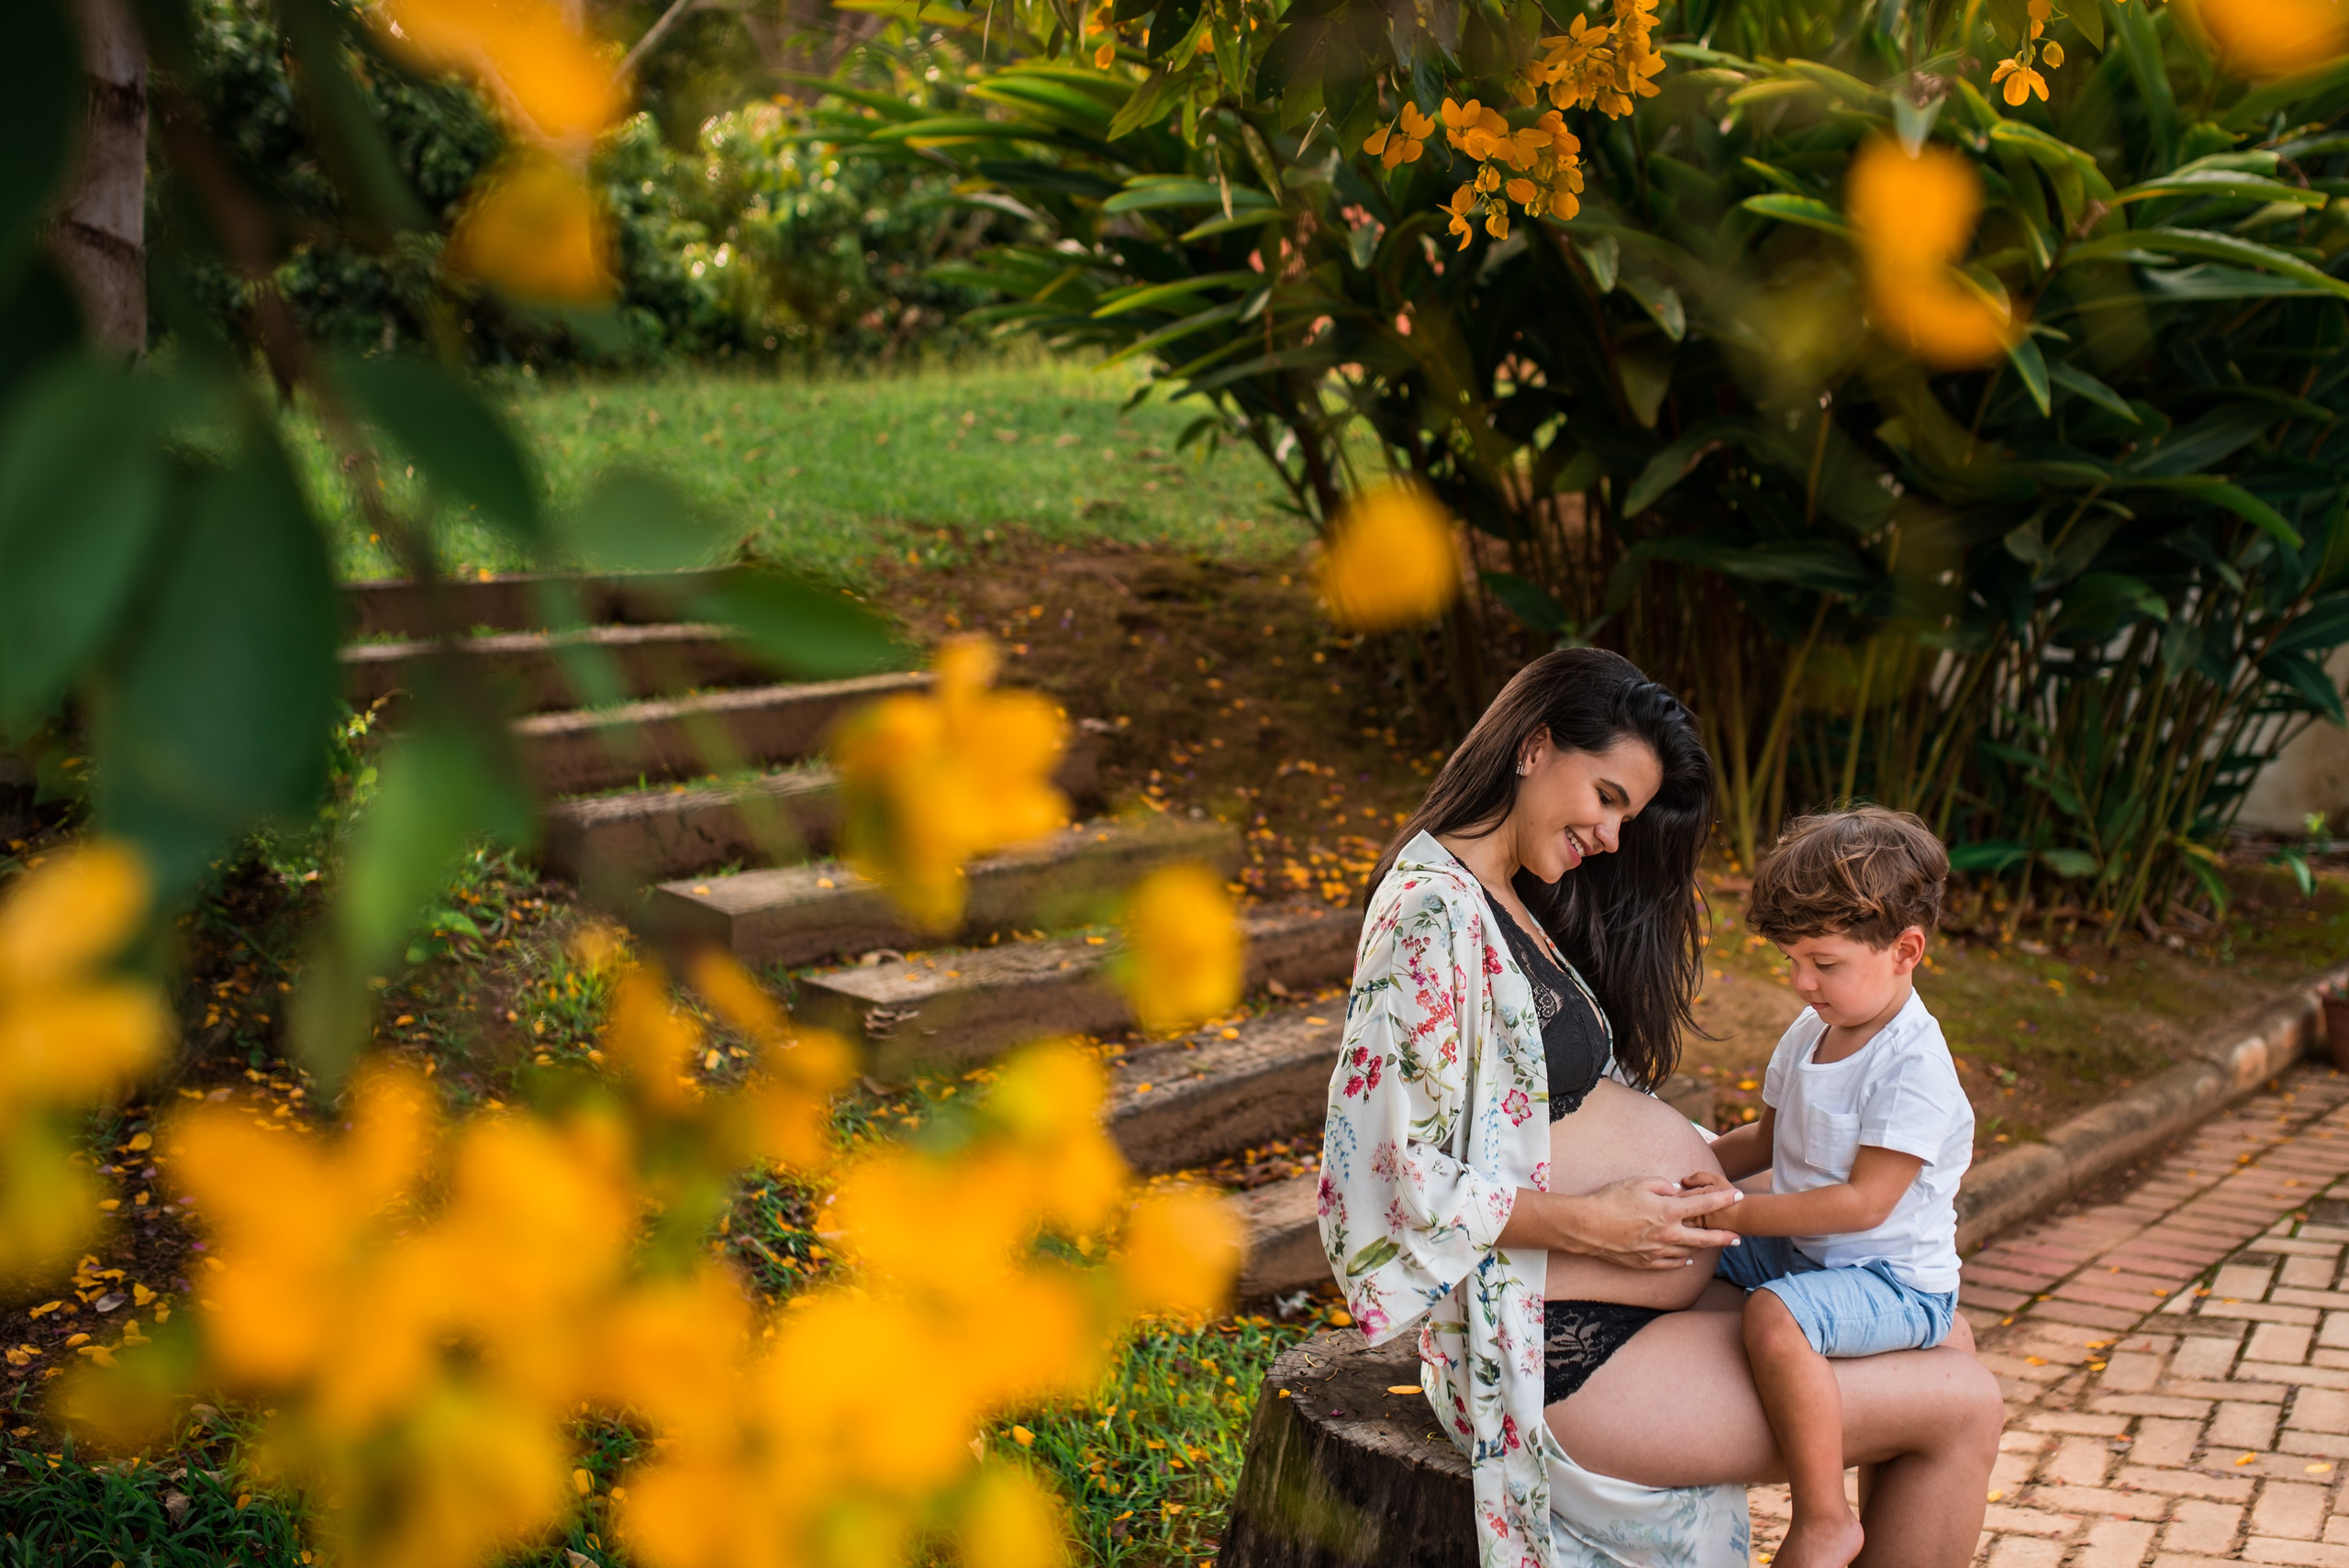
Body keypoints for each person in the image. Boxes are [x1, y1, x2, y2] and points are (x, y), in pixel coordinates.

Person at [1319, 649, 2000, 1568]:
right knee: (1962, 1404)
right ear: (1534, 745)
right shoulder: (1428, 910)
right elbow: (1385, 1172)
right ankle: (1825, 1526)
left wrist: (1697, 1171)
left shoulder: (1508, 899)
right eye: (1605, 797)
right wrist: (1593, 1222)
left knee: (1949, 1338)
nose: (1610, 834)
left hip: (1616, 1304)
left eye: (1626, 815)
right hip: (1554, 1344)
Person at [1689, 809, 1974, 1568]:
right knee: (1689, 1245)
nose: (1801, 981)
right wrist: (1690, 1169)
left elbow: (1864, 1203)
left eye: (1823, 961)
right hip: (1806, 1249)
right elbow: (1764, 1139)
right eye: (1791, 959)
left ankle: (1823, 1516)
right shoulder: (1812, 1028)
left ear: (1905, 950)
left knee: (1775, 1316)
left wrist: (1738, 1210)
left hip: (1892, 1279)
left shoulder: (1912, 1067)